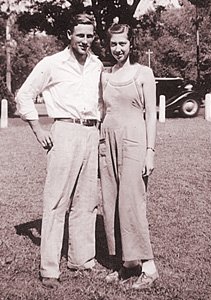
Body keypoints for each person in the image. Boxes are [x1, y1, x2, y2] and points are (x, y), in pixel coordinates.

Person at [16, 13, 103, 288]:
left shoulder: (97, 64)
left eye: (89, 36)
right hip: (64, 132)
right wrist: (38, 129)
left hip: (92, 132)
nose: (85, 41)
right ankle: (49, 269)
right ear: (69, 34)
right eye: (80, 35)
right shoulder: (52, 63)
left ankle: (82, 260)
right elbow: (24, 95)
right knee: (56, 202)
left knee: (86, 202)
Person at [99, 23, 158, 289]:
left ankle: (149, 267)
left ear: (130, 44)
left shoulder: (143, 73)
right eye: (114, 44)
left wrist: (150, 152)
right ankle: (127, 264)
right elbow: (101, 111)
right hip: (107, 143)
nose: (118, 48)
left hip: (134, 142)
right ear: (108, 46)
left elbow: (151, 117)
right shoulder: (104, 75)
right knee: (111, 203)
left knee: (132, 203)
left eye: (122, 43)